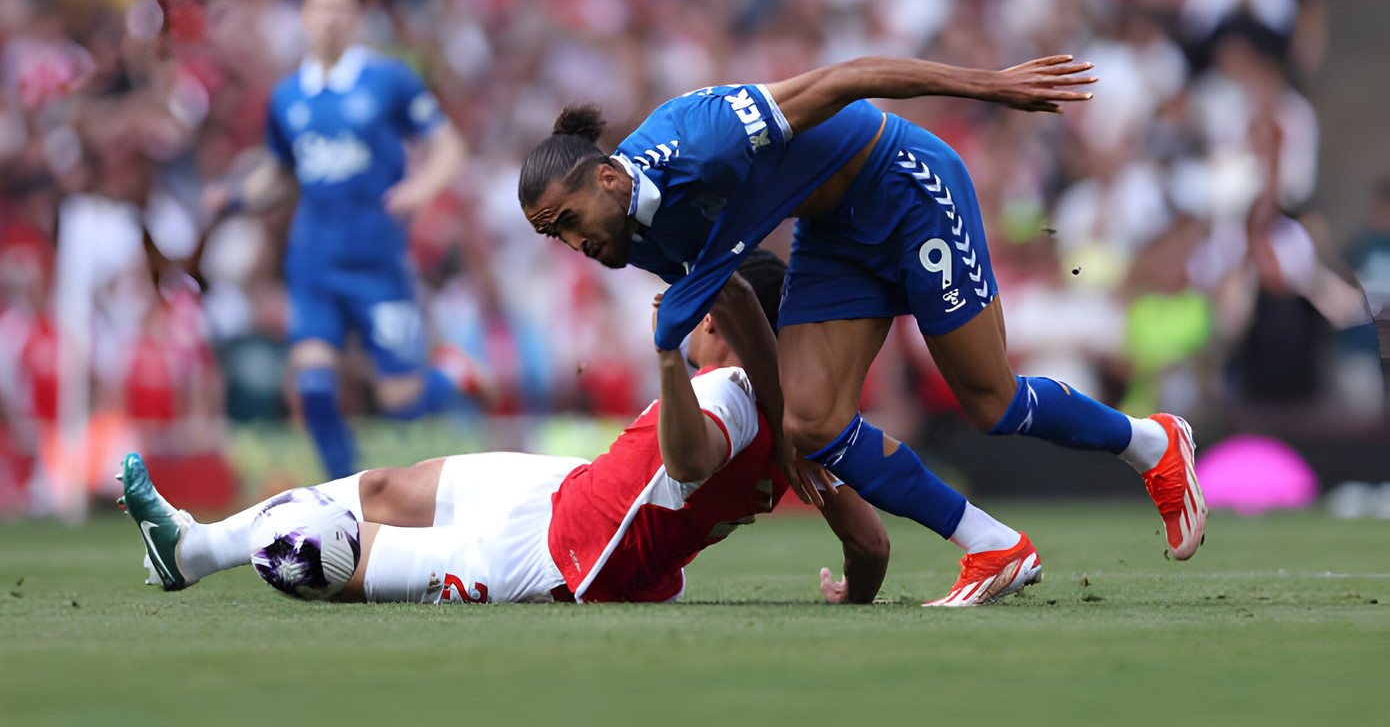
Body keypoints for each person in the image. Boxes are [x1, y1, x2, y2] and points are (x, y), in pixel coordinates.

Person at [517, 54, 1208, 597]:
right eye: (556, 237)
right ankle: (993, 546)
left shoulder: (700, 136)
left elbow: (847, 79)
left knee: (989, 403)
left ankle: (1151, 443)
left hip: (903, 184)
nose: (575, 244)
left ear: (608, 179)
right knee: (811, 423)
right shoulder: (629, 240)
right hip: (834, 230)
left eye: (570, 222)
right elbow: (731, 300)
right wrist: (782, 422)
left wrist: (990, 86)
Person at [118, 251, 1037, 606]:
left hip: (561, 561)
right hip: (566, 492)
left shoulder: (728, 396)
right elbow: (870, 541)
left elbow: (688, 455)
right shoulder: (807, 428)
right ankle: (192, 551)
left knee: (316, 554)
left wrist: (667, 357)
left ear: (719, 321)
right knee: (391, 484)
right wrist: (860, 593)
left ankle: (237, 552)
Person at [204, 0, 483, 480]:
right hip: (313, 260)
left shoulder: (389, 80)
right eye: (319, 7)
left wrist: (418, 191)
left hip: (378, 261)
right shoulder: (288, 97)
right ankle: (344, 495)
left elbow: (449, 146)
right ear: (306, 17)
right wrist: (237, 196)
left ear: (355, 17)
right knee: (312, 385)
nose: (329, 19)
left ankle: (450, 376)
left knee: (402, 401)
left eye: (340, 7)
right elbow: (279, 171)